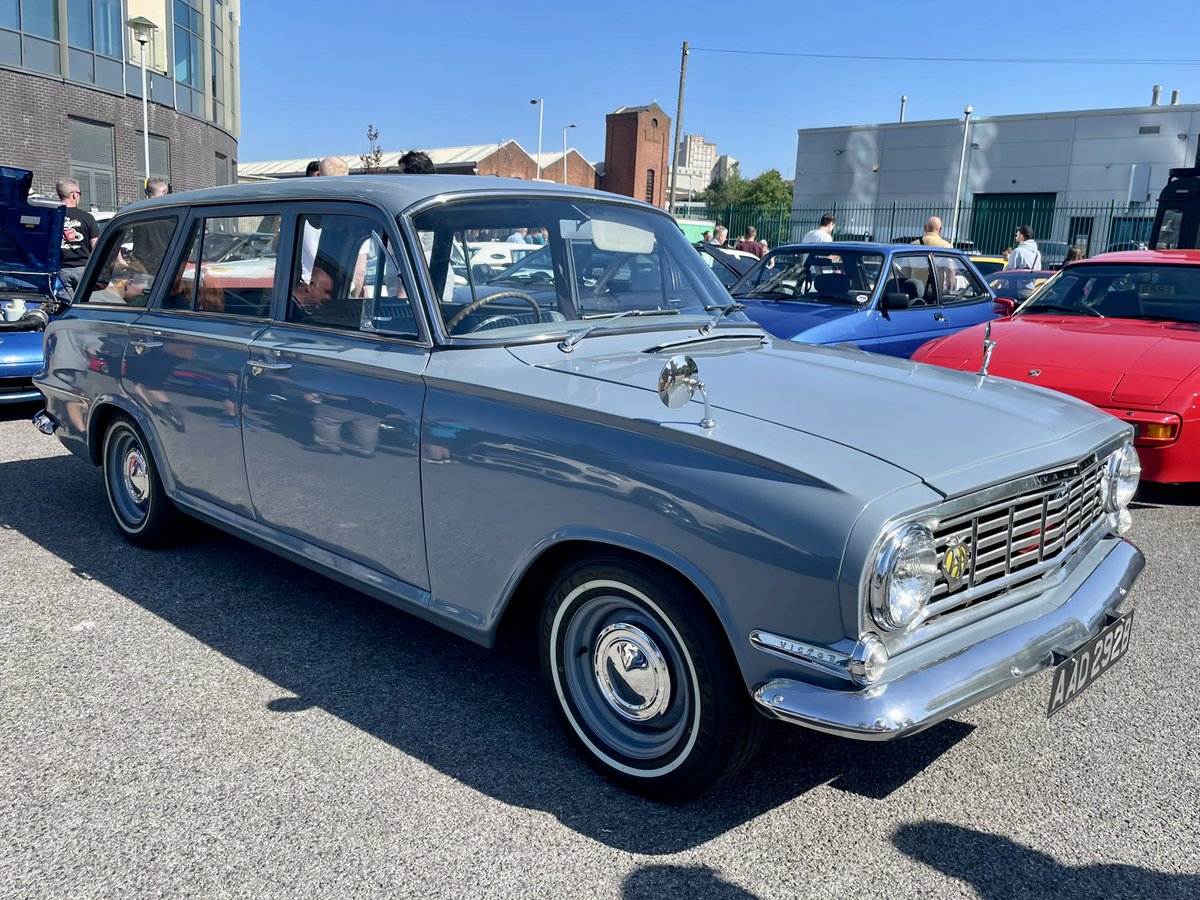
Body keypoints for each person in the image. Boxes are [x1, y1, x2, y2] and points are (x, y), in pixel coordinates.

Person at [55, 177, 99, 301]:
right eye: (79, 193)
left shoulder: (53, 217)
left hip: (61, 271)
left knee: (66, 307)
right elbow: (96, 245)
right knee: (86, 304)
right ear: (74, 195)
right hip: (84, 270)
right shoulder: (87, 218)